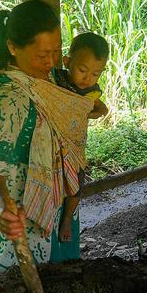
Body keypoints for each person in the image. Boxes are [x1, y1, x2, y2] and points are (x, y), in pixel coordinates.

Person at [0, 0, 95, 280]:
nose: (50, 61)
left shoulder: (48, 76)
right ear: (14, 47)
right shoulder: (6, 93)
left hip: (57, 200)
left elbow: (70, 108)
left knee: (62, 284)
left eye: (55, 51)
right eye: (42, 55)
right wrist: (4, 210)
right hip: (21, 211)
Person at [51, 32, 110, 242]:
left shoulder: (92, 93)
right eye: (82, 70)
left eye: (96, 74)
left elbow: (99, 109)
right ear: (67, 62)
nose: (88, 78)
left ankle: (66, 218)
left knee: (76, 184)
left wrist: (95, 112)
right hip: (52, 145)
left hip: (75, 147)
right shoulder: (54, 80)